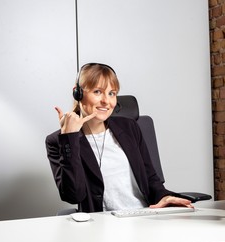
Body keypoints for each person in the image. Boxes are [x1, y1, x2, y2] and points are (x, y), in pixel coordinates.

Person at [45, 63, 193, 213]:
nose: (106, 101)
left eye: (112, 93)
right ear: (78, 93)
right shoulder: (58, 141)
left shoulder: (129, 127)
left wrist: (164, 197)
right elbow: (74, 195)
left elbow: (151, 179)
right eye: (97, 92)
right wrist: (70, 138)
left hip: (144, 218)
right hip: (102, 225)